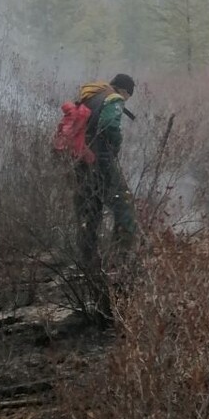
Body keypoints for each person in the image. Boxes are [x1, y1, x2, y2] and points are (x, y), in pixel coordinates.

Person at [73, 73, 138, 274]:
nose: (126, 100)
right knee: (125, 206)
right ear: (125, 90)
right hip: (101, 162)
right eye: (128, 96)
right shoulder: (114, 99)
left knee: (89, 210)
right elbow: (110, 125)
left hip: (81, 161)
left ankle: (87, 262)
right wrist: (115, 147)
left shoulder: (91, 96)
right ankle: (120, 259)